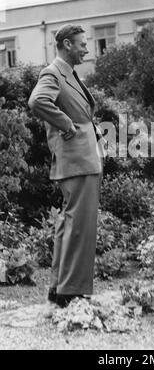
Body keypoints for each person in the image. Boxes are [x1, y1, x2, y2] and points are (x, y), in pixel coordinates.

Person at [28, 24, 103, 309]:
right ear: (67, 44)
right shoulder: (54, 72)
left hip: (81, 156)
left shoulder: (68, 73)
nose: (87, 48)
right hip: (77, 158)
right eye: (82, 43)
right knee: (79, 224)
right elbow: (37, 101)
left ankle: (60, 287)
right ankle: (71, 291)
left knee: (69, 223)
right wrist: (67, 124)